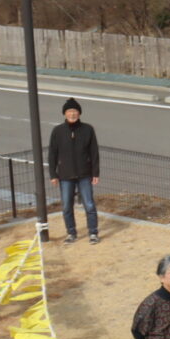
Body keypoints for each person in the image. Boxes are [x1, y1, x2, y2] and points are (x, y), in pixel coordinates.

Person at [47, 98, 102, 245]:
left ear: (79, 113)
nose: (72, 114)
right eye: (69, 111)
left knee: (89, 205)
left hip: (85, 174)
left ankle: (93, 232)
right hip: (65, 175)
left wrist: (95, 173)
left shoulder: (88, 129)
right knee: (66, 206)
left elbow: (94, 152)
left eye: (75, 111)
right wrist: (53, 174)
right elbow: (52, 154)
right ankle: (71, 233)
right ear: (64, 113)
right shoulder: (58, 131)